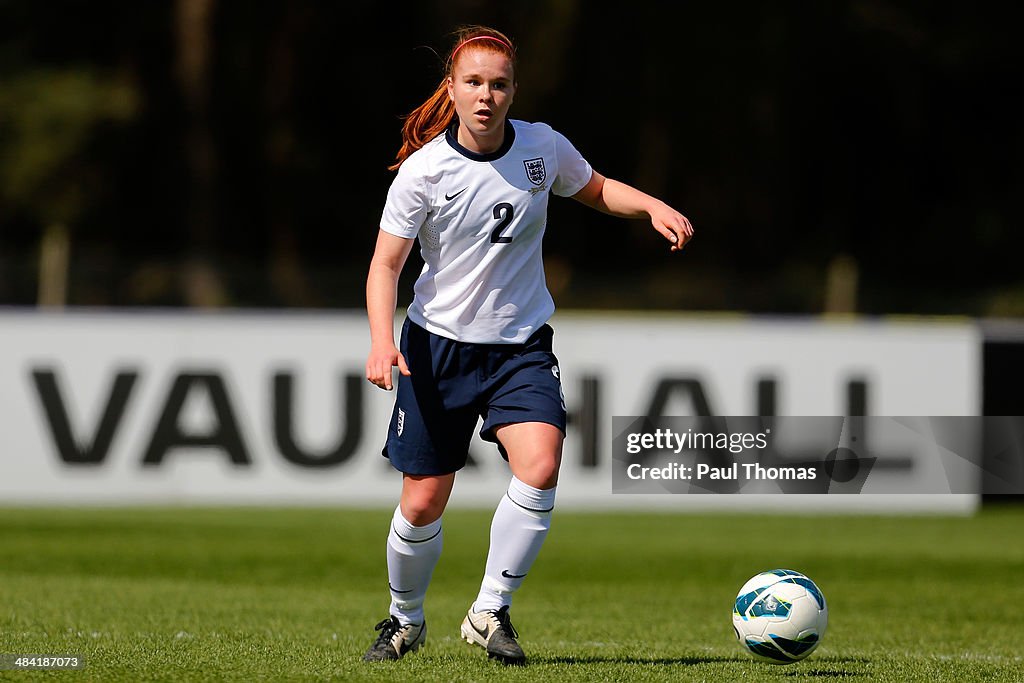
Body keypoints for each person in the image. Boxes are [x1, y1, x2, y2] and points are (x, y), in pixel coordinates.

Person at [362, 25, 693, 666]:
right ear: (452, 90)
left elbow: (593, 188)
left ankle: (489, 611)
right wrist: (382, 342)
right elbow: (385, 267)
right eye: (474, 83)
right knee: (424, 499)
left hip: (520, 346)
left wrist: (650, 206)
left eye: (499, 84)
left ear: (513, 91)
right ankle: (404, 619)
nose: (486, 95)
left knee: (539, 465)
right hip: (438, 348)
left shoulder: (541, 148)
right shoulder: (424, 172)